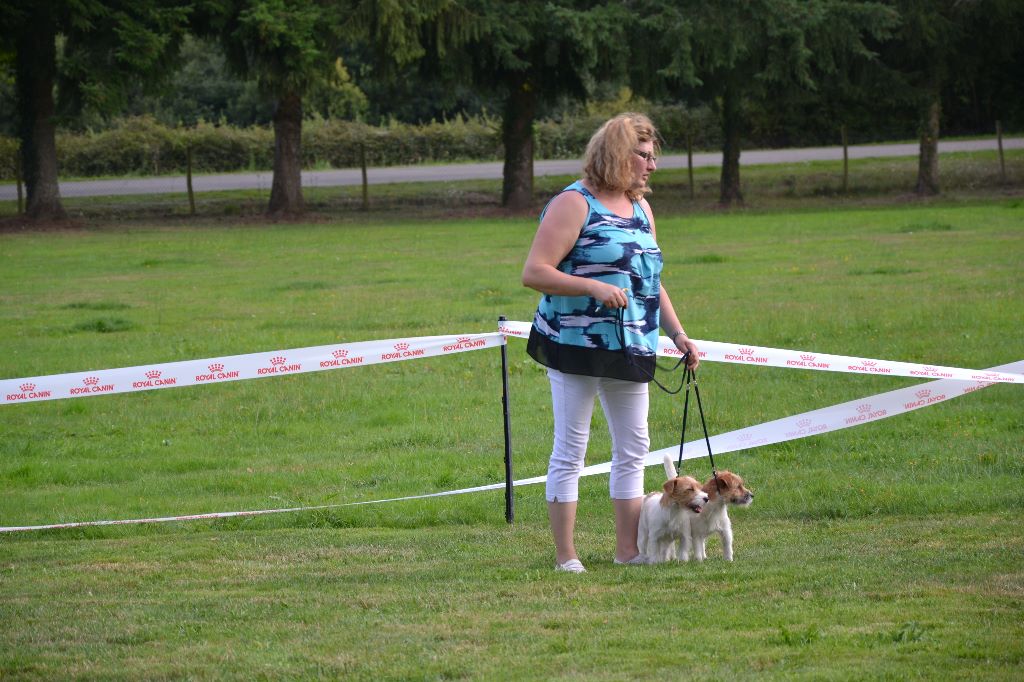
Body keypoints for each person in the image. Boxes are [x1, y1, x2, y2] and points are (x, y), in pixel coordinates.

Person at [521, 112, 700, 573]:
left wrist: (677, 333)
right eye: (643, 155)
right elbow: (535, 271)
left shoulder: (641, 208)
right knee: (571, 448)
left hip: (630, 345)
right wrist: (593, 287)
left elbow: (651, 281)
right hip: (574, 343)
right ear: (618, 155)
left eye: (654, 156)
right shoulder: (573, 202)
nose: (652, 165)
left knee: (634, 447)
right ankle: (567, 556)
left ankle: (628, 550)